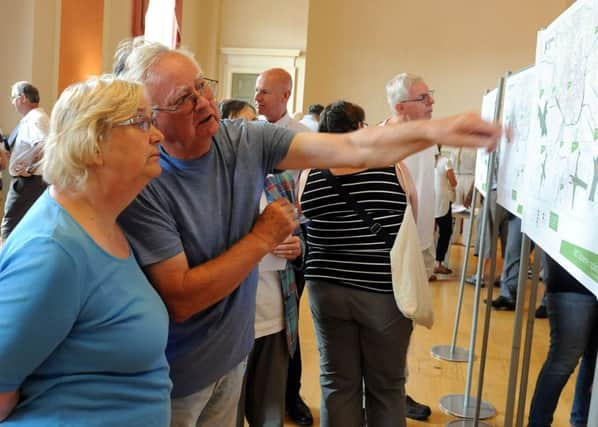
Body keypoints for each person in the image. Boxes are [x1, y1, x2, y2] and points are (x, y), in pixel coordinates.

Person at [113, 37, 501, 427]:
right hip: (173, 377)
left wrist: (436, 130)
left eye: (203, 86)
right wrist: (261, 239)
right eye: (184, 98)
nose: (204, 102)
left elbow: (353, 148)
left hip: (230, 358)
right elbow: (183, 296)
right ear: (150, 116)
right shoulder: (146, 179)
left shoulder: (242, 139)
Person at [0, 76, 171, 425]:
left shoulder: (101, 221)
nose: (158, 135)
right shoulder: (52, 251)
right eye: (141, 122)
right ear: (93, 143)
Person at [298, 100, 419, 427]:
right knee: (386, 387)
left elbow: (304, 222)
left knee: (337, 383)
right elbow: (413, 225)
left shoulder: (309, 173)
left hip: (325, 288)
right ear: (361, 128)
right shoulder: (393, 166)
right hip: (380, 289)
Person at [255, 67, 313, 426]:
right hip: (255, 253)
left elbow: (308, 200)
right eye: (257, 91)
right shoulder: (251, 135)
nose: (257, 97)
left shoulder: (304, 139)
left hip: (290, 248)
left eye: (264, 91)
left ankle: (292, 397)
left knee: (288, 328)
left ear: (284, 95)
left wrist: (298, 240)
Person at [383, 72, 435, 421]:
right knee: (392, 325)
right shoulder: (383, 140)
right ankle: (390, 394)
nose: (432, 103)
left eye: (431, 96)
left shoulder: (426, 137)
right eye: (424, 98)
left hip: (419, 246)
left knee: (406, 323)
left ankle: (392, 390)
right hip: (395, 251)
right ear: (401, 106)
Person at [528, 254, 597, 427]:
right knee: (563, 360)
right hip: (573, 267)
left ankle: (581, 422)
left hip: (576, 269)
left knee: (593, 363)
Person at [1, 82, 49, 241]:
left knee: (10, 225)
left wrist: (30, 169)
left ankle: (4, 263)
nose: (12, 102)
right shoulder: (37, 117)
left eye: (13, 98)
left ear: (22, 99)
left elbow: (44, 145)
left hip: (28, 182)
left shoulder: (32, 120)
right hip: (35, 181)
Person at [434, 146, 457, 274]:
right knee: (446, 231)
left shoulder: (425, 162)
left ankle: (426, 266)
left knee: (428, 234)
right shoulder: (445, 161)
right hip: (442, 201)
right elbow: (454, 183)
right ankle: (438, 263)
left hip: (427, 200)